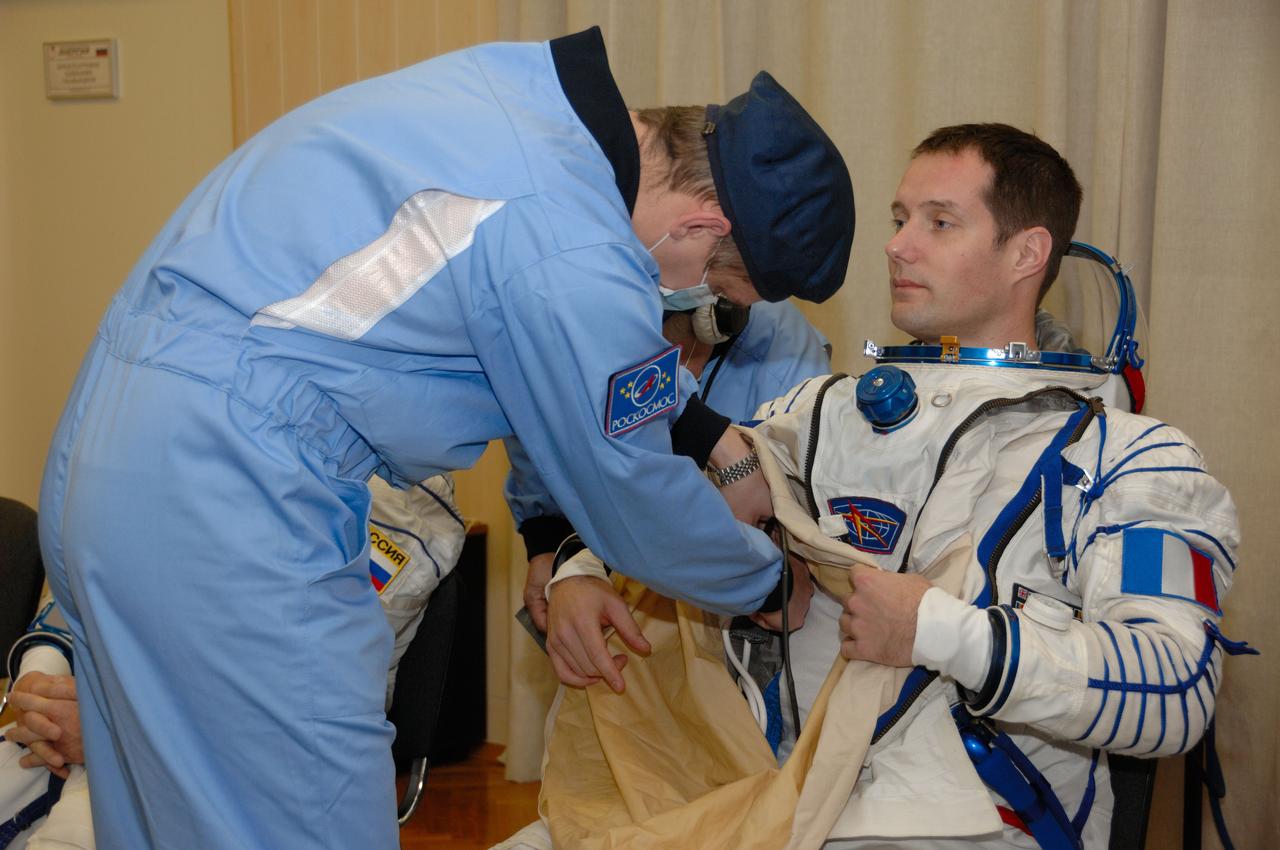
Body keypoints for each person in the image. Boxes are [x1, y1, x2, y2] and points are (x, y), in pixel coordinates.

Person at [37, 25, 854, 850]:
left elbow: (552, 326)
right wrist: (768, 586)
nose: (688, 300)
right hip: (227, 502)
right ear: (703, 224)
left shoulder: (511, 100)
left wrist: (710, 433)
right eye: (716, 279)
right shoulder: (574, 241)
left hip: (115, 461)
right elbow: (636, 504)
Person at [534, 124, 1248, 849]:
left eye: (940, 223)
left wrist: (939, 631)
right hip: (778, 799)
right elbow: (671, 500)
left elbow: (1177, 691)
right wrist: (580, 572)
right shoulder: (818, 414)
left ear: (1027, 253)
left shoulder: (1129, 456)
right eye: (901, 220)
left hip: (965, 822)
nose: (898, 246)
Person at [0, 474, 464, 850]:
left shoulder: (395, 507)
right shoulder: (179, 449)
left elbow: (287, 700)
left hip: (226, 762)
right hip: (86, 716)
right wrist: (41, 685)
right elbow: (84, 584)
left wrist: (111, 730)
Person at [506, 295, 833, 678]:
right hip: (614, 574)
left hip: (743, 604)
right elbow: (544, 419)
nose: (676, 384)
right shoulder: (583, 317)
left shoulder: (782, 352)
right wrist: (551, 546)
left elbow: (786, 518)